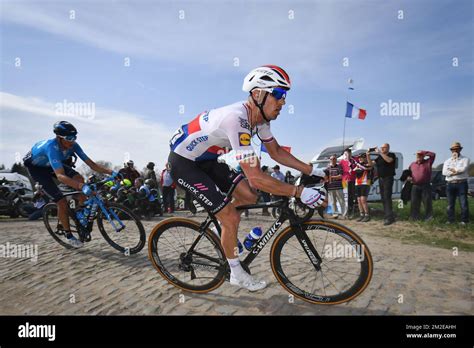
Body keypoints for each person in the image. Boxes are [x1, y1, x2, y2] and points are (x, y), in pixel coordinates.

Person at [167, 65, 327, 291]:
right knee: (231, 215)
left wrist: (311, 170)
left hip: (207, 160)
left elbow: (276, 152)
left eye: (285, 97)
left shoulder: (260, 120)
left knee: (249, 195)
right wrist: (298, 192)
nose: (283, 103)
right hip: (183, 163)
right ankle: (236, 273)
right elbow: (256, 176)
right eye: (279, 95)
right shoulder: (236, 119)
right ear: (258, 94)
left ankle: (221, 226)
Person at [23, 121, 118, 247]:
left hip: (51, 164)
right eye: (69, 138)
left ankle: (79, 212)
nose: (72, 141)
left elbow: (92, 164)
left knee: (79, 178)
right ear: (59, 138)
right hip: (37, 169)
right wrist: (81, 187)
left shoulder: (73, 145)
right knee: (61, 202)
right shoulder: (52, 147)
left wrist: (112, 172)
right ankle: (68, 234)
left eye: (74, 138)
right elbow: (60, 176)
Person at [368, 144, 396, 225]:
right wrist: (368, 155)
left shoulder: (391, 155)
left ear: (388, 148)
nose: (382, 148)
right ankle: (387, 215)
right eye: (381, 147)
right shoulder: (380, 157)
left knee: (387, 197)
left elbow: (389, 160)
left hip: (388, 178)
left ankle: (389, 218)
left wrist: (380, 152)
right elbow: (371, 164)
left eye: (384, 147)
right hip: (381, 179)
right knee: (383, 198)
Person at [442, 142, 470, 225]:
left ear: (460, 149)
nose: (455, 150)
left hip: (462, 183)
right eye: (453, 149)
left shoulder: (466, 159)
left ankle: (464, 221)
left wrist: (451, 170)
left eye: (457, 149)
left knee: (463, 202)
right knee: (450, 203)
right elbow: (444, 172)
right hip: (450, 183)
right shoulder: (447, 161)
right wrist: (456, 171)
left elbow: (463, 169)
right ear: (451, 150)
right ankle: (451, 220)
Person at [408, 150, 436, 221]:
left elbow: (433, 155)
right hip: (415, 186)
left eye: (420, 155)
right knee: (414, 202)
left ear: (423, 156)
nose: (418, 157)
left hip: (425, 185)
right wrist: (408, 177)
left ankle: (428, 218)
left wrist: (424, 152)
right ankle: (414, 217)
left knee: (427, 202)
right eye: (417, 155)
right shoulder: (412, 164)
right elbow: (408, 173)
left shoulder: (428, 162)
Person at [354, 153, 373, 222]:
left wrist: (368, 157)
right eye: (359, 158)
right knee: (358, 200)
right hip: (357, 184)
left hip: (365, 183)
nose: (360, 159)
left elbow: (370, 166)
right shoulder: (357, 165)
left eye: (362, 157)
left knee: (363, 200)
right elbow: (353, 171)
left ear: (365, 158)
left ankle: (367, 215)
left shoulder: (367, 164)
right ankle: (361, 215)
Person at [339, 149, 357, 219]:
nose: (347, 155)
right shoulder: (342, 161)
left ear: (351, 153)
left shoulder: (354, 161)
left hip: (352, 180)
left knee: (351, 196)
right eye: (346, 154)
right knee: (345, 197)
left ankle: (350, 212)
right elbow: (337, 168)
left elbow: (358, 167)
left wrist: (352, 168)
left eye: (349, 153)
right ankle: (345, 212)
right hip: (344, 181)